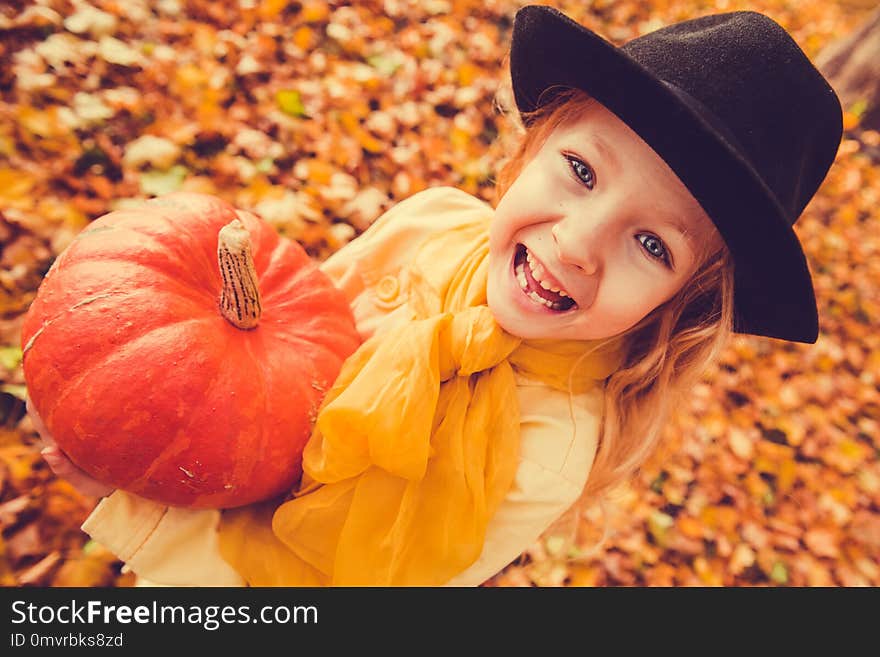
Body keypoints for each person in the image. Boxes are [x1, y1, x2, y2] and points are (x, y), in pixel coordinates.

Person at [32, 5, 842, 586]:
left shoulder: (547, 442)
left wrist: (132, 511)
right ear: (533, 145)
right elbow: (274, 350)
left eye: (652, 243)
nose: (575, 242)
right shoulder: (431, 223)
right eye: (583, 171)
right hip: (209, 479)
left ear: (682, 304)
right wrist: (142, 429)